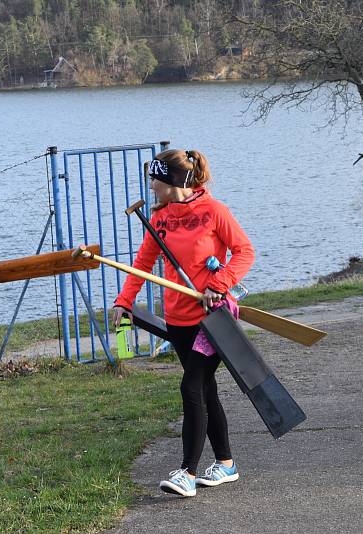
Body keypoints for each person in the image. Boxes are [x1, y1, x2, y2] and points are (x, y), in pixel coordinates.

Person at [112, 149, 255, 497]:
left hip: (213, 318)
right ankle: (225, 464)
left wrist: (218, 284)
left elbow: (245, 252)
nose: (152, 187)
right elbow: (141, 264)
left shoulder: (214, 211)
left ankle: (187, 473)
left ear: (172, 181)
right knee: (205, 390)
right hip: (177, 320)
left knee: (191, 388)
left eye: (155, 181)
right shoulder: (161, 218)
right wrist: (124, 301)